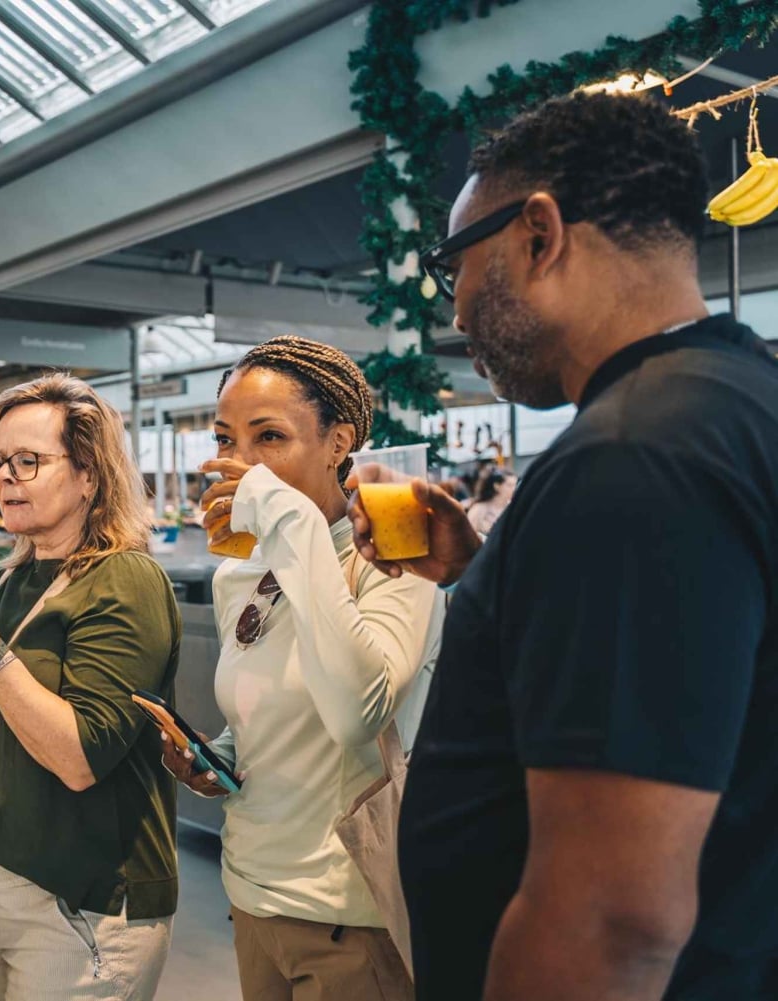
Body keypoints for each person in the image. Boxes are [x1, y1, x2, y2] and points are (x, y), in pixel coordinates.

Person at [347, 92, 778, 1000]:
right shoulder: (734, 401)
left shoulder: (632, 458)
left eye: (453, 264)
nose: (453, 308)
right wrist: (484, 575)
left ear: (539, 236)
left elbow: (611, 917)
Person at [0, 373, 181, 1001]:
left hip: (82, 904)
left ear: (90, 475)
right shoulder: (14, 575)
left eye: (29, 461)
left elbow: (78, 758)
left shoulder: (124, 580)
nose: (4, 477)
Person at [160, 337, 438, 1000]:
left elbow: (354, 714)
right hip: (252, 895)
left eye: (270, 437)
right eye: (228, 439)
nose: (241, 464)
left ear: (338, 442)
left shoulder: (396, 554)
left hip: (347, 917)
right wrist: (217, 756)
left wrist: (289, 520)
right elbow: (266, 720)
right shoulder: (243, 575)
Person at [465, 466, 515, 537]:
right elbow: (467, 537)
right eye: (509, 485)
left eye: (515, 485)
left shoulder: (512, 507)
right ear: (497, 486)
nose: (514, 489)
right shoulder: (479, 509)